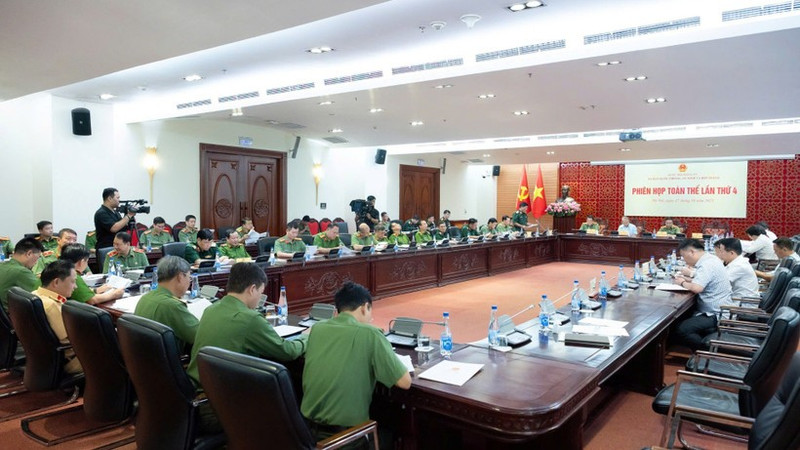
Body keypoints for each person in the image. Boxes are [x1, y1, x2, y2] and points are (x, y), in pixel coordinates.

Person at [186, 263, 307, 432]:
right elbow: (288, 352)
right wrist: (307, 337)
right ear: (252, 289)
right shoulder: (249, 318)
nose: (260, 298)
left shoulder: (211, 309)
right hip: (225, 406)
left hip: (199, 396)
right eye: (260, 292)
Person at [301, 282, 410, 443]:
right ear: (365, 307)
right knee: (394, 434)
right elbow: (405, 382)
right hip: (346, 439)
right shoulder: (370, 333)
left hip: (305, 433)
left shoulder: (317, 328)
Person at [673, 239, 733, 351]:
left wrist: (681, 282)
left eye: (684, 256)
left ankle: (706, 351)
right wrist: (688, 280)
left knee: (682, 329)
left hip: (715, 313)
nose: (685, 260)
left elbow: (697, 288)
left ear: (691, 252)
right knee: (680, 318)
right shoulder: (711, 259)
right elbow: (704, 281)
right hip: (716, 307)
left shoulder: (706, 264)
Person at [134, 256, 199, 349]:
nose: (189, 282)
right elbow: (201, 337)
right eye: (189, 277)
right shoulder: (173, 306)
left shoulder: (145, 298)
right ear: (180, 277)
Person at [33, 260, 82, 374]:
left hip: (43, 359)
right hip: (69, 360)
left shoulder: (35, 294)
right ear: (56, 282)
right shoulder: (51, 306)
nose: (75, 286)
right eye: (73, 282)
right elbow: (71, 339)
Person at [59, 243, 124, 305]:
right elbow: (92, 300)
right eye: (87, 261)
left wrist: (96, 290)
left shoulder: (61, 270)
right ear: (81, 262)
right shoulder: (73, 276)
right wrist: (114, 294)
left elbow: (81, 292)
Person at [0, 237, 43, 311]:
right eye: (38, 257)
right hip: (15, 317)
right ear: (29, 254)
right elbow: (44, 292)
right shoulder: (21, 272)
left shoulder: (2, 265)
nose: (36, 262)